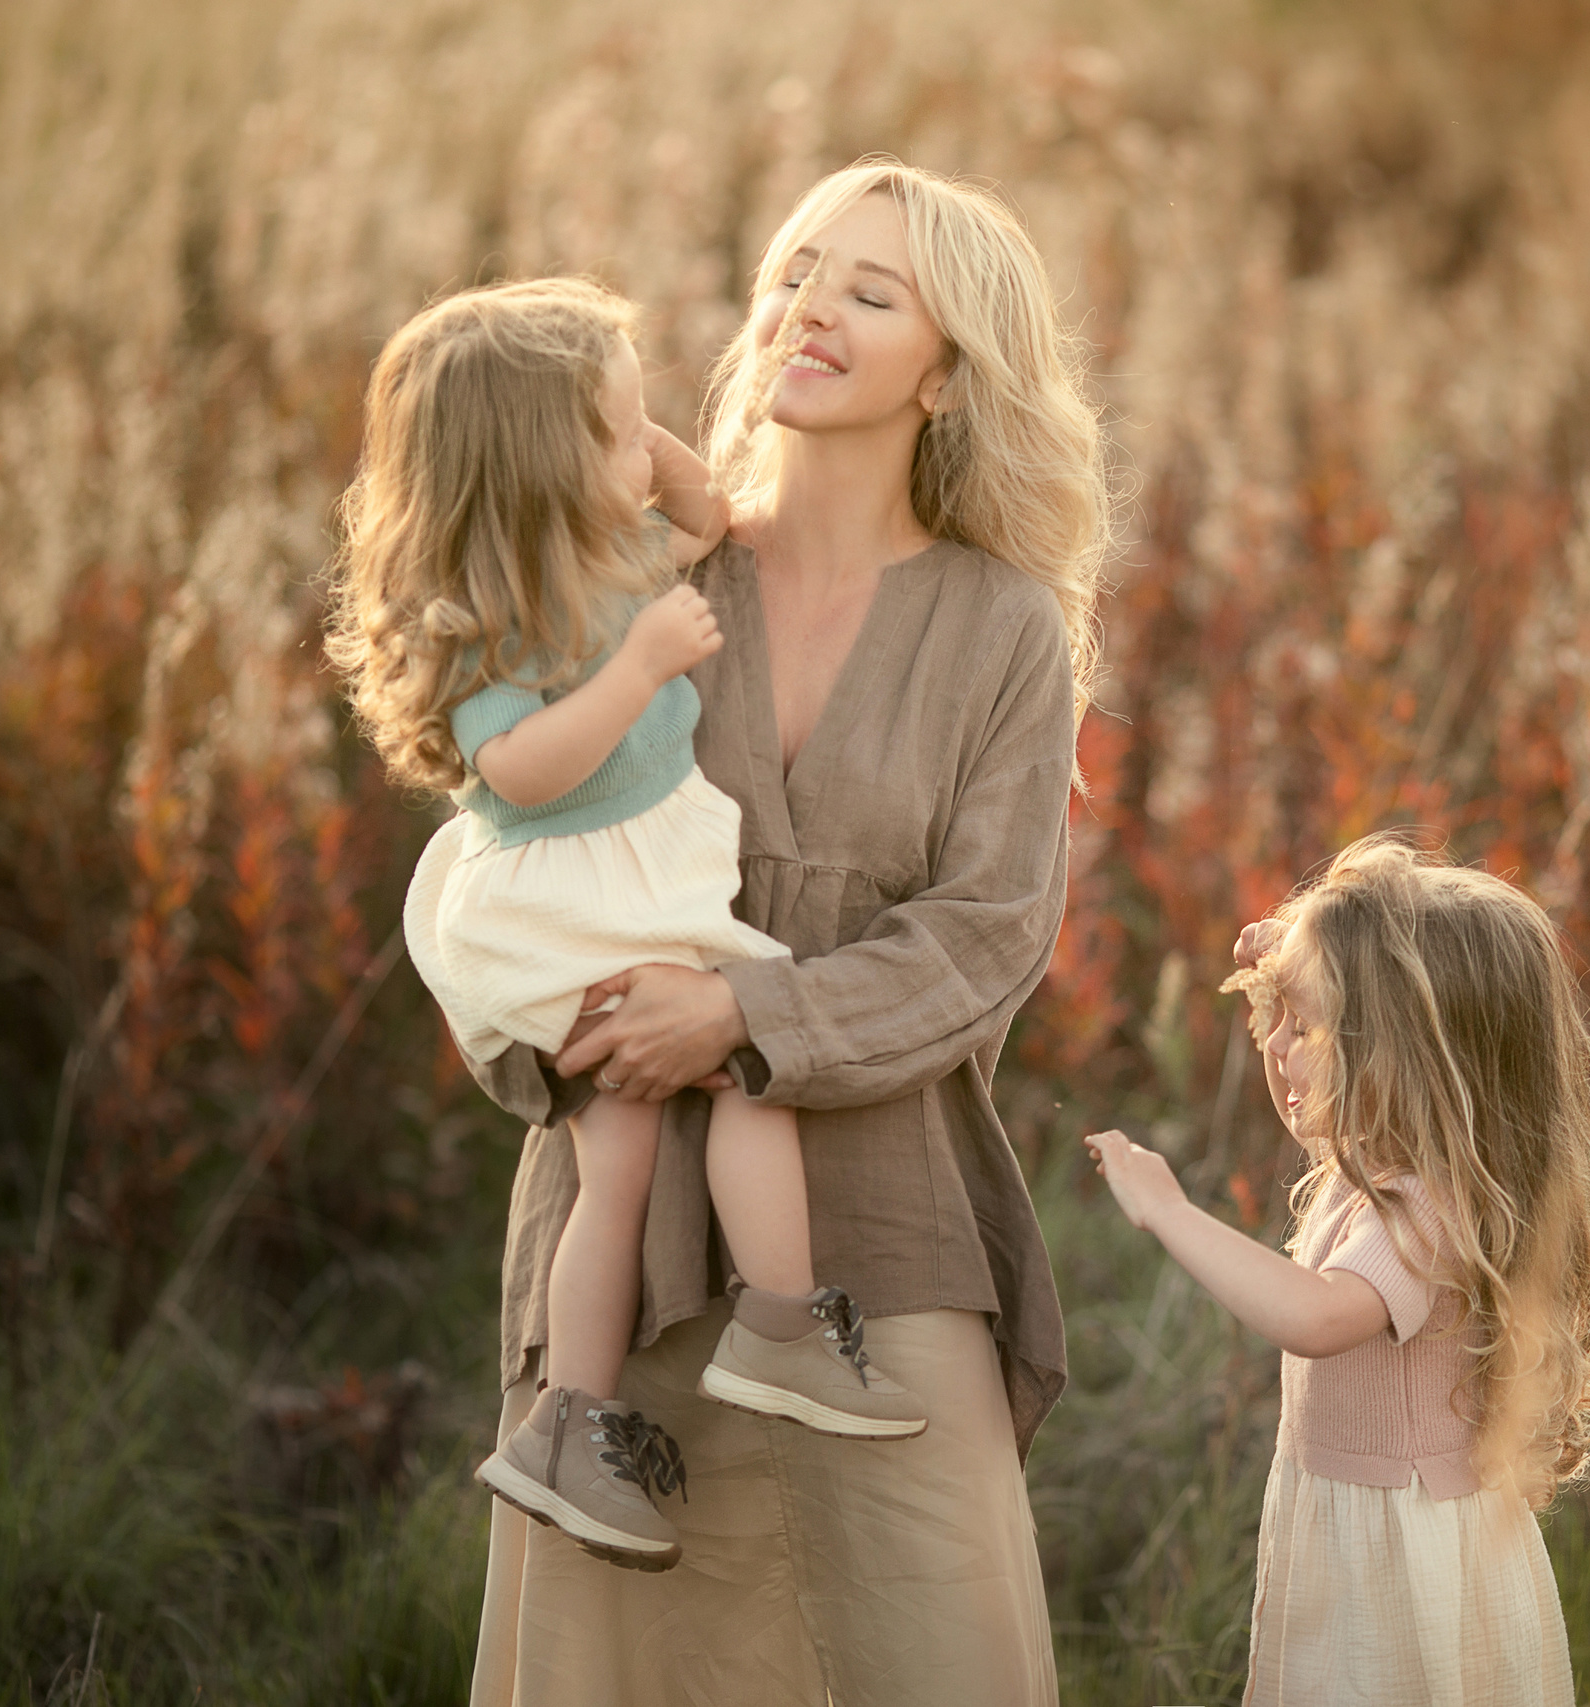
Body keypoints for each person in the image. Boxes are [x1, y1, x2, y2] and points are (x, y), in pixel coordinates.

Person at [458, 161, 1116, 1707]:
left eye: (871, 292)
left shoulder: (1004, 626)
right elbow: (503, 834)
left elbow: (989, 931)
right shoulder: (643, 573)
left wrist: (750, 1017)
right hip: (625, 1236)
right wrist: (571, 1026)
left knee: (932, 1640)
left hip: (881, 1227)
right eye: (797, 272)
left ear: (947, 375)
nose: (811, 305)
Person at [326, 277, 928, 1577]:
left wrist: (646, 446)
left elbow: (705, 513)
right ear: (538, 465)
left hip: (633, 895)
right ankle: (764, 1330)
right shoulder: (495, 626)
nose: (643, 449)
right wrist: (643, 664)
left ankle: (587, 1407)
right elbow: (520, 771)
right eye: (614, 430)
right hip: (566, 904)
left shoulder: (606, 559)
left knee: (651, 1132)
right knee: (738, 1061)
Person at [1085, 834, 1590, 1707]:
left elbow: (1315, 1317)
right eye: (1276, 1015)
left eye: (1303, 1025)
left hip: (1398, 1564)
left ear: (1413, 1055)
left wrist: (1167, 1209)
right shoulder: (1376, 1174)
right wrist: (1305, 946)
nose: (1274, 1046)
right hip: (1354, 1536)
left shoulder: (1428, 1211)